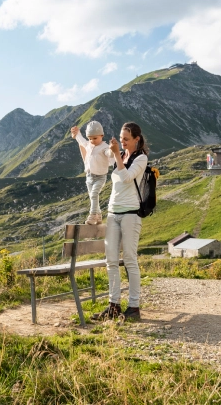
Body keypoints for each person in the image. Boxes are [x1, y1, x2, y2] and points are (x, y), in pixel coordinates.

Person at [92, 121, 148, 321]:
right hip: (113, 213)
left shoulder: (141, 159)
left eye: (126, 139)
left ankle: (133, 307)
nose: (123, 142)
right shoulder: (120, 155)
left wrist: (116, 154)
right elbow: (98, 154)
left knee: (130, 260)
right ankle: (113, 305)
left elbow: (126, 177)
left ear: (136, 139)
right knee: (111, 261)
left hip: (131, 214)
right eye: (121, 138)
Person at [71, 121, 114, 225]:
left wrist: (112, 149)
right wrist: (77, 133)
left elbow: (110, 154)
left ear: (101, 135)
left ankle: (92, 215)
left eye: (95, 138)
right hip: (89, 177)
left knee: (94, 194)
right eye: (90, 138)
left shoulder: (104, 147)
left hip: (100, 177)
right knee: (92, 197)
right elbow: (81, 140)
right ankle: (99, 216)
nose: (92, 141)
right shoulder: (88, 145)